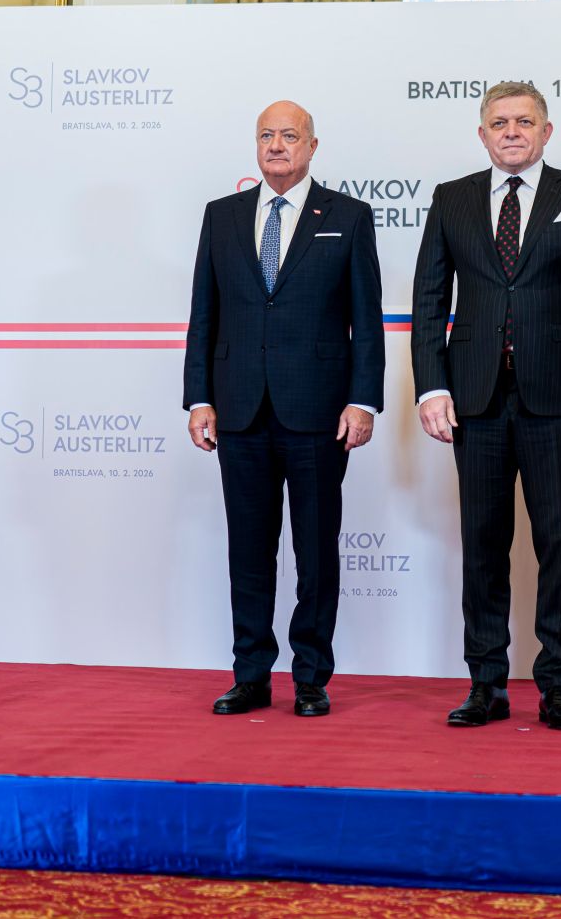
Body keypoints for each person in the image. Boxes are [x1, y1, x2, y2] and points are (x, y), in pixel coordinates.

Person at [411, 82, 561, 731]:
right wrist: (432, 385)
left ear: (546, 131)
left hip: (557, 402)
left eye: (524, 121)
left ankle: (556, 684)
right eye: (499, 122)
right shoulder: (451, 198)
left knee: (558, 543)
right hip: (473, 400)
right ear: (482, 134)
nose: (511, 132)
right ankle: (486, 684)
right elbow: (428, 300)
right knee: (482, 543)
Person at [184, 100, 384, 718]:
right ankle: (250, 675)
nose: (276, 145)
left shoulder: (348, 216)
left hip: (319, 412)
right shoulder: (221, 216)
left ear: (312, 146)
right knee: (248, 551)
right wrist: (199, 397)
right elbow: (204, 315)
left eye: (289, 135)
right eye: (266, 135)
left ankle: (310, 678)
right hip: (239, 410)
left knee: (316, 552)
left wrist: (363, 401)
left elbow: (366, 321)